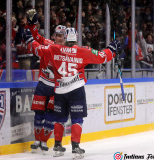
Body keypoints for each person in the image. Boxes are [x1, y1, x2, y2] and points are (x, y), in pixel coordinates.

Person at [22, 27, 121, 158]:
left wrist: (29, 40)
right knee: (77, 119)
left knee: (59, 119)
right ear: (76, 38)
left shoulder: (53, 49)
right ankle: (75, 148)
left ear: (65, 37)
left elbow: (37, 49)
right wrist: (112, 49)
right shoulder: (82, 51)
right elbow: (103, 57)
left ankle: (57, 146)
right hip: (76, 89)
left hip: (60, 90)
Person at [25, 9, 66, 153]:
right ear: (54, 36)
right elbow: (36, 36)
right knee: (39, 112)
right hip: (43, 83)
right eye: (57, 35)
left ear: (65, 37)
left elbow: (35, 44)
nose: (58, 38)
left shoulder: (68, 51)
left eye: (61, 36)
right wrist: (32, 25)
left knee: (51, 115)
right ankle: (37, 140)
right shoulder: (48, 43)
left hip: (57, 88)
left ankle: (44, 140)